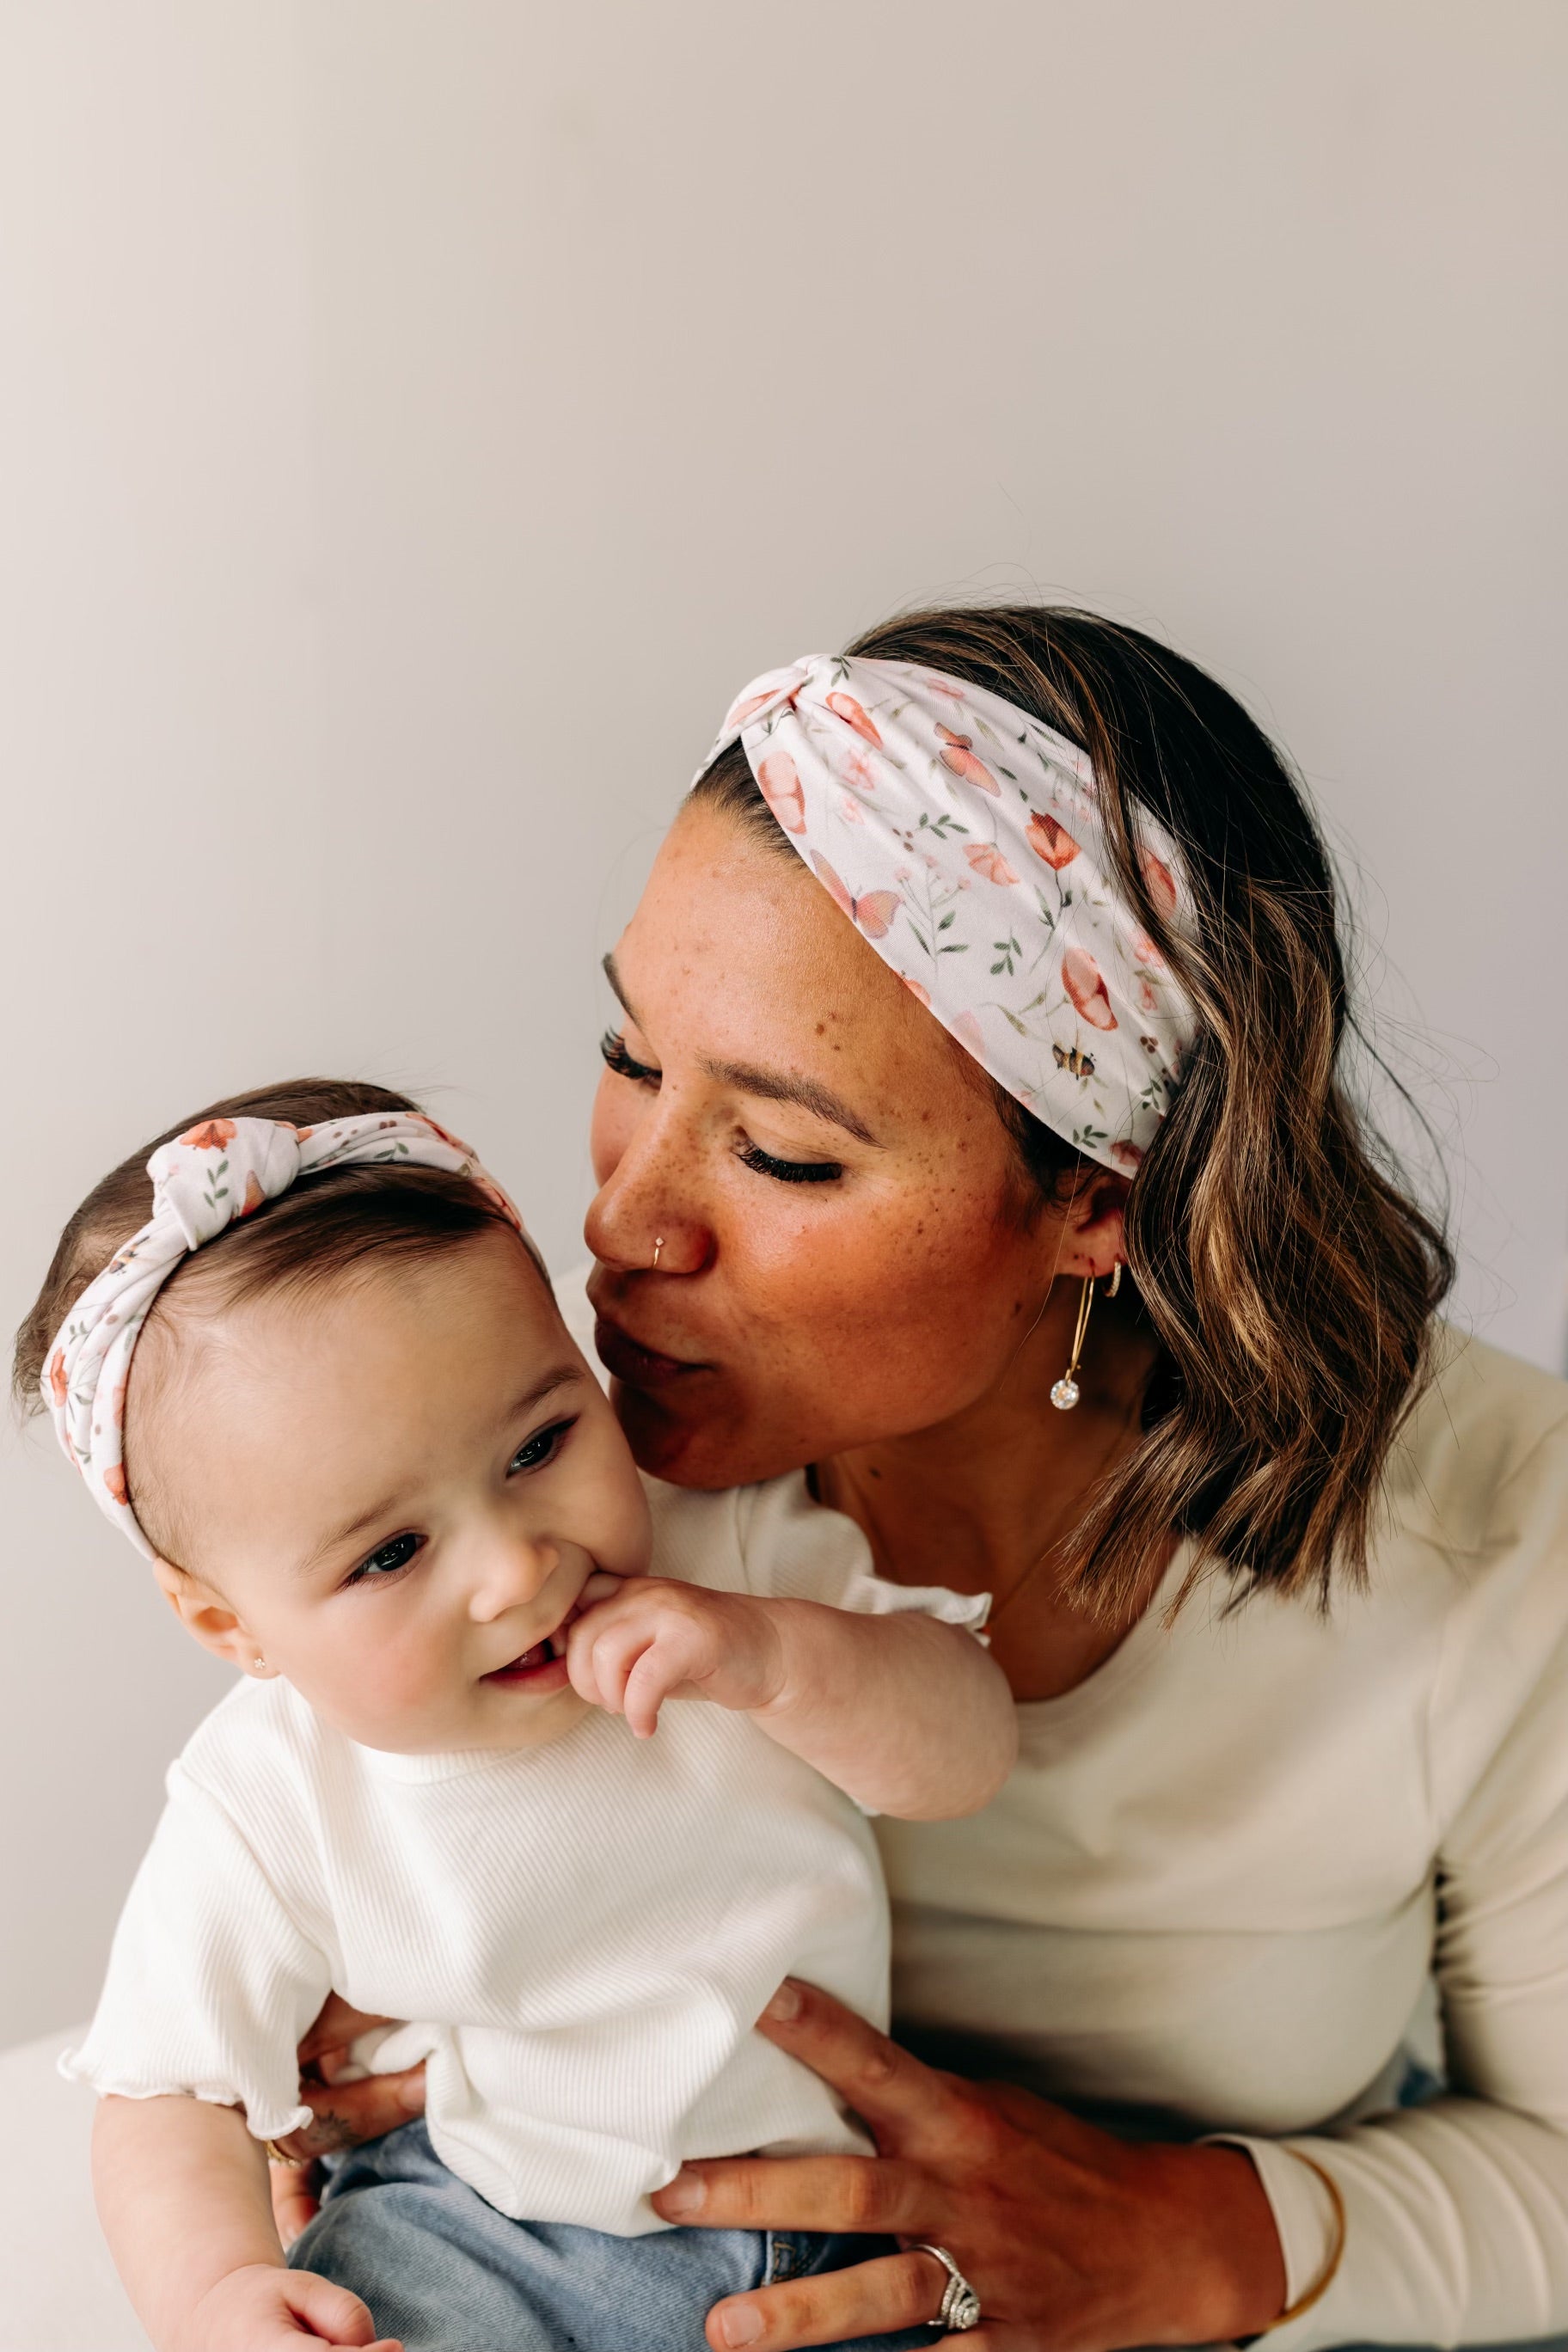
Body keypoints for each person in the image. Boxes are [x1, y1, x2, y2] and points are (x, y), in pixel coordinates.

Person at [273, 608, 1568, 2352]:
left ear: (1101, 1201)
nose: (623, 1222)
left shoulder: (1491, 1534)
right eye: (631, 1058)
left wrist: (1195, 2242)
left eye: (783, 1149)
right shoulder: (543, 1483)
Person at [17, 1083, 1016, 2352]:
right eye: (389, 1554)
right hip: (486, 2222)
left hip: (834, 2225)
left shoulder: (733, 1563)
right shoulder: (269, 1796)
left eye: (539, 1447)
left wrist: (772, 1656)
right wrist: (212, 2293)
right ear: (230, 1625)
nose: (516, 1569)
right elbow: (169, 2092)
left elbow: (966, 1748)